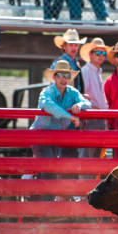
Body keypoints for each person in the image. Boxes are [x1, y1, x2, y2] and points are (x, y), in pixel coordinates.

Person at [30, 60, 92, 190]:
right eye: (60, 75)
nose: (64, 79)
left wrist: (79, 105)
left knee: (60, 166)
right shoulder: (47, 92)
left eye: (67, 76)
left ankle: (52, 199)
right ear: (54, 77)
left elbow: (86, 102)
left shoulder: (72, 92)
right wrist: (69, 116)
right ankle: (46, 201)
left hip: (56, 137)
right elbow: (47, 105)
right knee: (50, 169)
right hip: (41, 136)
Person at [79, 37, 111, 158]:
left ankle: (91, 177)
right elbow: (82, 96)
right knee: (88, 154)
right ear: (90, 54)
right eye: (97, 52)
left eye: (103, 53)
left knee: (97, 155)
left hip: (99, 118)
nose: (101, 55)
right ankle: (85, 177)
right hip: (91, 117)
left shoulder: (96, 72)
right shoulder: (86, 71)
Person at [52, 29, 87, 93]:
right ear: (64, 46)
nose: (74, 48)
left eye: (76, 45)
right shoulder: (58, 63)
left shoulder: (77, 64)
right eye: (71, 45)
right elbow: (53, 86)